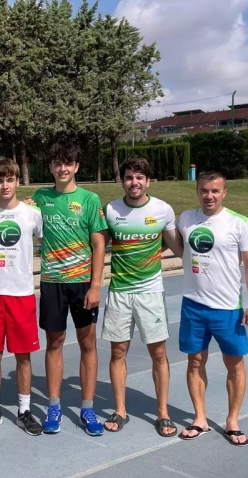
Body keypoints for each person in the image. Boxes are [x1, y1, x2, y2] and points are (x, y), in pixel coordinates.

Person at [176, 170, 248, 446]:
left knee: (234, 364)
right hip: (193, 305)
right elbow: (166, 239)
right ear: (197, 191)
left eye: (215, 191)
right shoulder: (186, 219)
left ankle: (232, 421)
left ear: (224, 192)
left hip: (227, 308)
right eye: (204, 190)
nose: (209, 196)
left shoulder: (241, 223)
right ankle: (200, 418)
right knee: (195, 362)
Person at [101, 157, 182, 437]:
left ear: (148, 181)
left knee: (158, 353)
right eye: (128, 177)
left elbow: (179, 248)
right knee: (117, 352)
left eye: (139, 177)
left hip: (150, 293)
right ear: (122, 181)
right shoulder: (111, 210)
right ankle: (120, 410)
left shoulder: (162, 209)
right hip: (119, 292)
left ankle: (163, 413)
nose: (133, 182)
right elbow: (97, 244)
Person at [31, 140, 108, 436]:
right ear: (51, 167)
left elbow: (99, 244)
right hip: (52, 282)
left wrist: (96, 285)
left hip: (83, 284)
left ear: (76, 167)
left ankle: (87, 408)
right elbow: (13, 209)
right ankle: (54, 406)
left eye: (68, 164)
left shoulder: (89, 199)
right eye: (57, 163)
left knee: (88, 344)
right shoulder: (40, 197)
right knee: (54, 342)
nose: (62, 169)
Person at [0, 157, 44, 436]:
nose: (5, 185)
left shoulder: (32, 214)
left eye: (10, 180)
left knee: (23, 356)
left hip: (22, 295)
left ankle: (24, 410)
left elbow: (49, 240)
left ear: (18, 181)